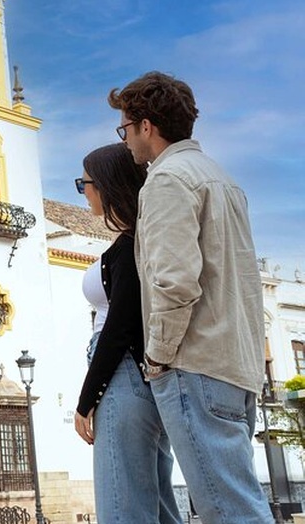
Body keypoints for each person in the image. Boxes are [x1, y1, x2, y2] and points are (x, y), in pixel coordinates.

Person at [109, 71, 273, 523]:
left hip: (194, 364)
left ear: (146, 126)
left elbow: (175, 282)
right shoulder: (222, 180)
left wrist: (158, 358)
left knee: (228, 511)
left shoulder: (167, 180)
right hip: (235, 366)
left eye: (124, 128)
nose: (124, 141)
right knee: (239, 501)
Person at [72, 143, 181, 524]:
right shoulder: (138, 240)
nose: (83, 192)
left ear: (104, 185)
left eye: (84, 183)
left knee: (122, 505)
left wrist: (88, 398)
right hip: (141, 377)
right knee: (159, 504)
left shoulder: (130, 244)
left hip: (121, 377)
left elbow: (120, 325)